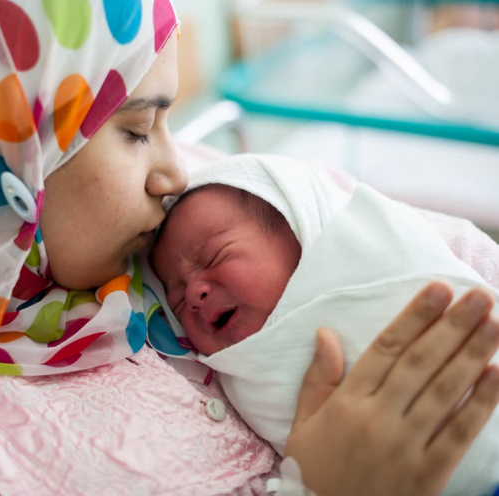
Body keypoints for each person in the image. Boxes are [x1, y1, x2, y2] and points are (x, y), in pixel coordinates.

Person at [0, 1, 498, 495]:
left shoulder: (206, 203)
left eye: (169, 122)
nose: (175, 173)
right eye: (134, 130)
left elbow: (448, 255)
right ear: (4, 155)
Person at [150, 153, 499, 495]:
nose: (193, 294)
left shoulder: (380, 257)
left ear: (302, 227)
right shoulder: (239, 381)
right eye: (177, 302)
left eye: (215, 256)